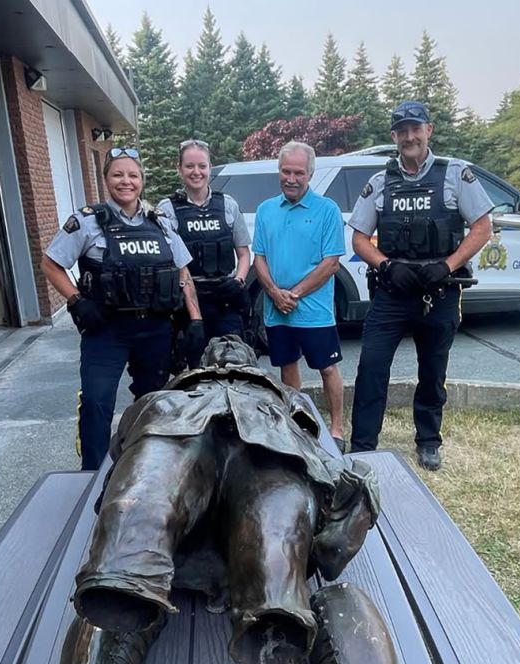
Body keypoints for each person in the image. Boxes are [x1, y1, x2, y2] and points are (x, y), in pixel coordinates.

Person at [73, 335, 379, 664]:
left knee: (275, 535)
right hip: (176, 429)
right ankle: (124, 585)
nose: (228, 345)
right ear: (206, 361)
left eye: (236, 345)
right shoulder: (169, 394)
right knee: (142, 503)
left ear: (252, 360)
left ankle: (273, 617)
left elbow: (309, 437)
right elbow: (125, 440)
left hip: (271, 444)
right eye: (219, 344)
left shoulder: (284, 394)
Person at [348, 100, 493, 471]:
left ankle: (428, 440)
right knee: (371, 368)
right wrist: (386, 265)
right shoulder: (380, 182)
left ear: (429, 130)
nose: (410, 136)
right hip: (392, 294)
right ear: (394, 137)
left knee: (433, 371)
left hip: (439, 292)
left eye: (416, 128)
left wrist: (447, 265)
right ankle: (363, 446)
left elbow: (482, 228)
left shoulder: (456, 175)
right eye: (402, 131)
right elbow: (360, 239)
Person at [40, 146, 203, 471]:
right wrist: (77, 300)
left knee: (155, 403)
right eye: (118, 174)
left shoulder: (161, 223)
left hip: (155, 331)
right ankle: (91, 476)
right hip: (106, 331)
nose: (125, 181)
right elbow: (50, 264)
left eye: (132, 175)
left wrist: (195, 320)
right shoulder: (87, 222)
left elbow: (183, 272)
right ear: (106, 179)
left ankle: (152, 470)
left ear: (141, 180)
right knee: (97, 403)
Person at [252, 141, 347, 453]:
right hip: (277, 311)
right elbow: (259, 259)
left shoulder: (327, 210)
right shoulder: (266, 210)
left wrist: (293, 294)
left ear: (310, 174)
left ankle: (336, 428)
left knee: (327, 368)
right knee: (287, 367)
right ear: (278, 171)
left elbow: (331, 262)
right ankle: (295, 425)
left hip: (315, 311)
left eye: (298, 172)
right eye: (285, 171)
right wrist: (274, 293)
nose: (291, 178)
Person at [157, 139, 251, 368]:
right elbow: (175, 263)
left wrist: (238, 280)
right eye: (189, 166)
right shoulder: (168, 209)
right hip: (189, 301)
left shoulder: (228, 205)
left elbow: (244, 253)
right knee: (197, 369)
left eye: (202, 166)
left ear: (210, 167)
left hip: (225, 298)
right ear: (179, 169)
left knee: (233, 365)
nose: (196, 172)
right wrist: (194, 314)